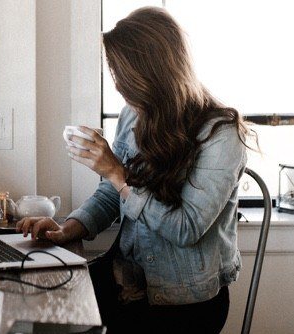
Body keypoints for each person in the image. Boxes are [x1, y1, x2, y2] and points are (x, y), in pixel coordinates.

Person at [17, 6, 255, 334]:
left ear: (156, 73)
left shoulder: (221, 134)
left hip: (184, 301)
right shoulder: (135, 115)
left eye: (123, 77)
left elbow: (185, 229)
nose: (118, 88)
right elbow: (112, 192)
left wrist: (117, 172)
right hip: (127, 277)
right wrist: (68, 227)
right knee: (39, 302)